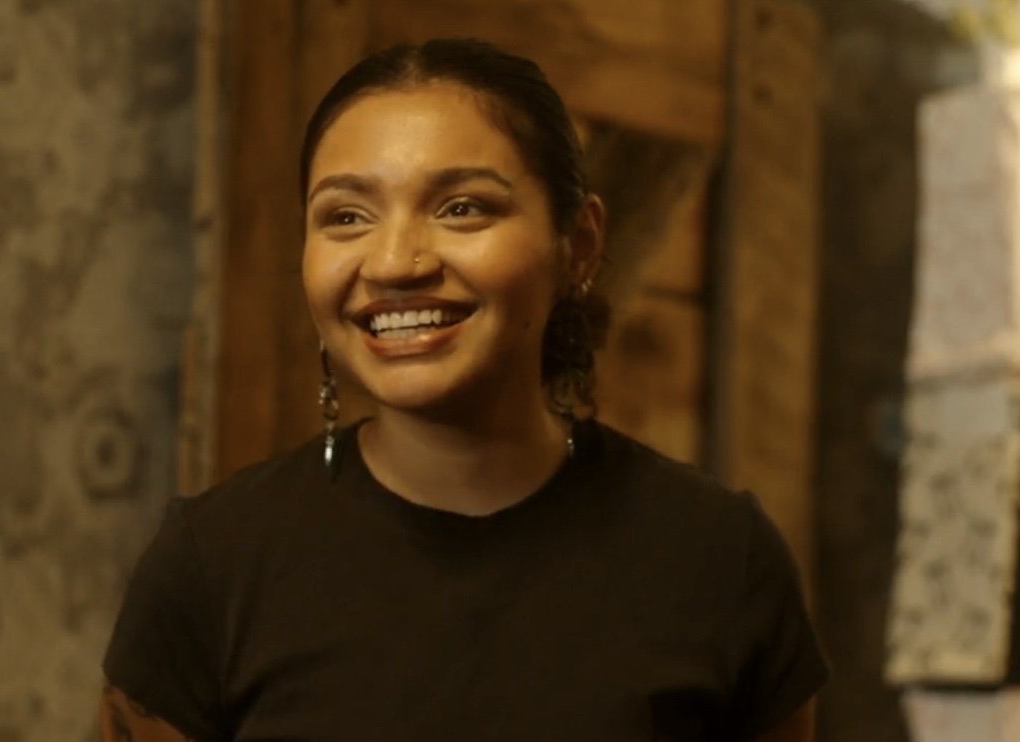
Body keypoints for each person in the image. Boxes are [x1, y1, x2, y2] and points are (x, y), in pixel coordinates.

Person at [99, 38, 828, 742]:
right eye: (346, 216)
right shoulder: (210, 568)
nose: (393, 262)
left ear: (577, 243)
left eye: (462, 208)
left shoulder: (720, 559)